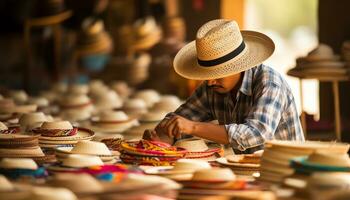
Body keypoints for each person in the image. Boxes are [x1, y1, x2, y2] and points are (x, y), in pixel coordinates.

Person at [143, 19, 304, 154]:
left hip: (286, 169)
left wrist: (192, 127)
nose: (210, 82)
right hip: (248, 169)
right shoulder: (212, 86)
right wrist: (160, 139)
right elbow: (179, 121)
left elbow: (257, 133)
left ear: (238, 66)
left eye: (217, 75)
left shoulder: (269, 83)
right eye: (206, 76)